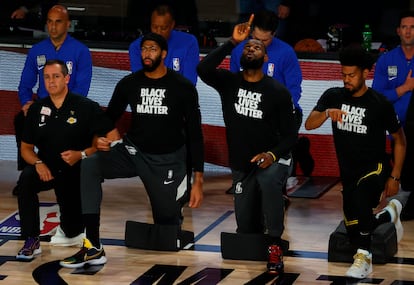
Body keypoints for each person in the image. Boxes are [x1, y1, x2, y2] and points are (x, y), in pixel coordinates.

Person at [60, 32, 204, 268]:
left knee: (166, 229)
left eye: (153, 49)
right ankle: (92, 245)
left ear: (164, 54)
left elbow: (196, 135)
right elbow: (108, 118)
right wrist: (102, 137)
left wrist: (198, 179)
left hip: (167, 161)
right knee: (90, 164)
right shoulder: (130, 83)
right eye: (144, 49)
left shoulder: (183, 87)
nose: (147, 54)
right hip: (133, 152)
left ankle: (175, 205)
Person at [197, 16, 297, 275]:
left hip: (273, 159)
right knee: (246, 229)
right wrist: (231, 42)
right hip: (242, 165)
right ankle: (263, 218)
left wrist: (272, 154)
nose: (251, 48)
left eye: (257, 47)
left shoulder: (277, 92)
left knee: (268, 181)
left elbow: (290, 136)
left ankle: (275, 245)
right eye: (247, 47)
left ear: (266, 59)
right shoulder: (229, 83)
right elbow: (203, 70)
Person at [305, 45, 406, 279]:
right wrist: (328, 112)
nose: (346, 80)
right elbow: (310, 124)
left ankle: (364, 258)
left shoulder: (379, 104)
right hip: (348, 173)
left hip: (376, 169)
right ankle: (389, 214)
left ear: (365, 74)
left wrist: (394, 176)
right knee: (355, 227)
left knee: (362, 199)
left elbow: (400, 141)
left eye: (351, 75)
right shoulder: (333, 96)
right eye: (343, 74)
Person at [15, 59, 114, 261]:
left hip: (76, 170)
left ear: (67, 78)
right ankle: (31, 240)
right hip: (48, 168)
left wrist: (81, 153)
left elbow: (103, 141)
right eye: (47, 77)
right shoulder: (36, 109)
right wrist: (38, 163)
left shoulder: (86, 107)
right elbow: (25, 148)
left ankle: (79, 233)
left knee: (72, 230)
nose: (51, 81)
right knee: (26, 179)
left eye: (56, 76)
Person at [230, 9, 312, 196]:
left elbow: (294, 89)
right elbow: (233, 84)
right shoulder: (239, 51)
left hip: (279, 114)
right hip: (251, 110)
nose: (258, 44)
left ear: (274, 34)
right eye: (255, 38)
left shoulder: (286, 52)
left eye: (264, 40)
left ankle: (284, 174)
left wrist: (280, 111)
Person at [13, 4, 92, 197]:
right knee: (20, 119)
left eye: (58, 22)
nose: (53, 26)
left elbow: (82, 88)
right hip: (43, 108)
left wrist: (64, 106)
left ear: (68, 24)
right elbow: (25, 84)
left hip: (70, 107)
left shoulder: (80, 51)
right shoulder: (37, 51)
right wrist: (26, 103)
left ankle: (73, 175)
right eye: (50, 22)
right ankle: (29, 172)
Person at [372, 10, 414, 221]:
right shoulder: (386, 59)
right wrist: (404, 88)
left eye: (412, 27)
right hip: (394, 127)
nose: (408, 31)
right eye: (404, 27)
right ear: (398, 31)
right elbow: (377, 97)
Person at [128, 4, 199, 85]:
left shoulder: (189, 42)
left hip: (178, 95)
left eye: (163, 28)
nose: (158, 32)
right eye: (154, 27)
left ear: (172, 25)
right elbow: (139, 82)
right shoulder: (137, 47)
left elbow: (189, 83)